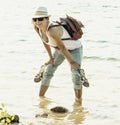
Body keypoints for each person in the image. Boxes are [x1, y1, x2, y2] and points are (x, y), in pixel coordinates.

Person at [32, 6, 84, 105]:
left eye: (40, 19)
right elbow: (45, 42)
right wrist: (50, 58)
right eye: (35, 19)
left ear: (47, 18)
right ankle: (41, 99)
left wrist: (72, 62)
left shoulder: (52, 30)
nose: (37, 22)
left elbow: (63, 47)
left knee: (75, 75)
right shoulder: (37, 27)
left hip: (74, 49)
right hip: (59, 50)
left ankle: (78, 103)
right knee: (48, 71)